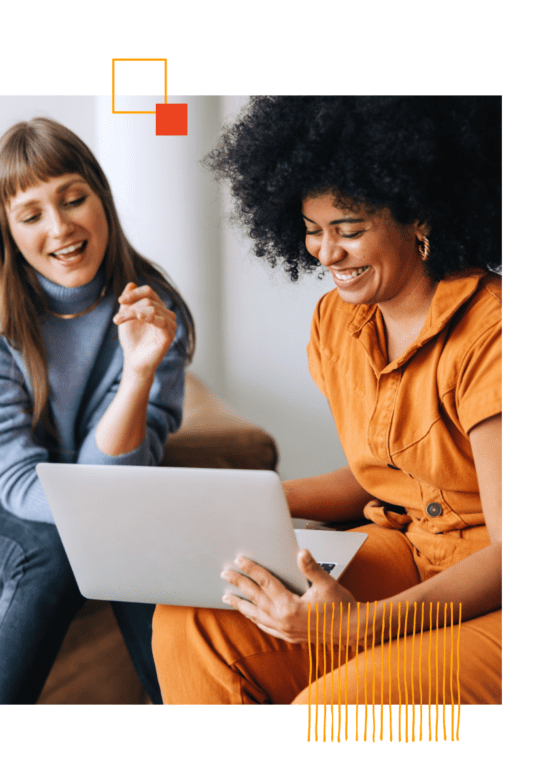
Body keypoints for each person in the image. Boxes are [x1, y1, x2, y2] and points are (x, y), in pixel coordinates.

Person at [152, 96, 501, 705]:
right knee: (195, 620)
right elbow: (390, 477)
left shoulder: (495, 333)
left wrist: (361, 624)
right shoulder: (338, 322)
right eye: (313, 231)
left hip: (503, 593)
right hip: (411, 549)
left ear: (419, 214)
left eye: (349, 230)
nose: (326, 253)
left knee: (327, 713)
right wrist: (257, 501)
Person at [0, 116, 194, 704]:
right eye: (31, 215)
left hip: (79, 500)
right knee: (62, 551)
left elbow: (119, 486)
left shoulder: (156, 312)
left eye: (73, 199)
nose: (60, 228)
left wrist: (137, 375)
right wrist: (108, 517)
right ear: (7, 231)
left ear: (101, 199)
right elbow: (17, 483)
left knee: (135, 549)